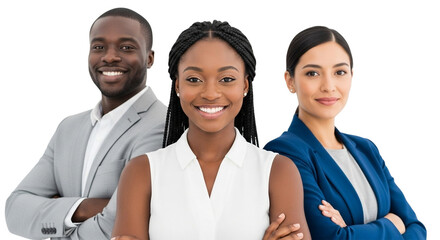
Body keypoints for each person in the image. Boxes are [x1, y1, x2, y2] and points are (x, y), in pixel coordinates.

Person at [111, 20, 311, 240]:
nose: (210, 93)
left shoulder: (278, 172)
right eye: (194, 79)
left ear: (245, 85)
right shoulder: (142, 172)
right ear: (178, 85)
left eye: (226, 79)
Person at [5, 8, 166, 239]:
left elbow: (123, 222)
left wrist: (57, 211)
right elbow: (15, 209)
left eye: (126, 47)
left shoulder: (162, 126)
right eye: (98, 47)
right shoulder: (68, 129)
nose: (109, 57)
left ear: (149, 58)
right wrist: (84, 207)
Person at [264, 26, 426, 239]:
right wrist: (392, 224)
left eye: (339, 72)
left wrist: (352, 232)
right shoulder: (284, 153)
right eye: (312, 73)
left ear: (351, 75)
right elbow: (332, 237)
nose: (329, 86)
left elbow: (416, 228)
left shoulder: (367, 149)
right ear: (290, 81)